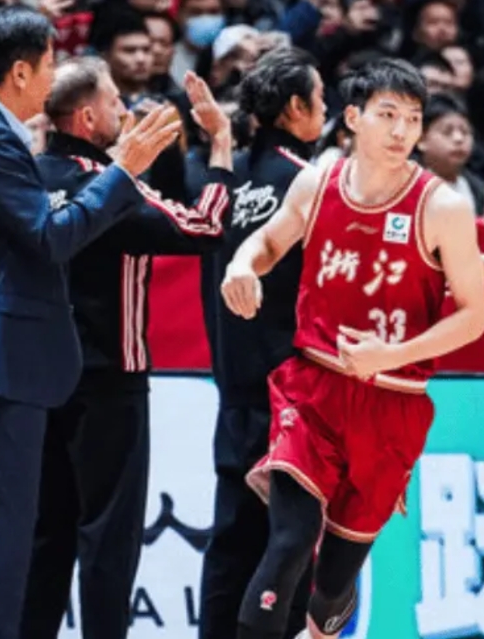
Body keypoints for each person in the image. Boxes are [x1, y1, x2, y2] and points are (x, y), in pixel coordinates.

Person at [220, 58, 484, 639]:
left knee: (334, 583)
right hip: (312, 388)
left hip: (392, 400)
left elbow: (474, 316)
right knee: (289, 540)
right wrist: (242, 264)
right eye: (387, 115)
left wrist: (390, 355)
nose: (400, 130)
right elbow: (269, 241)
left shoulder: (442, 206)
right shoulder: (317, 183)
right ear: (352, 119)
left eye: (412, 118)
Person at [19, 57, 233, 639]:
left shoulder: (25, 179)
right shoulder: (112, 187)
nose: (126, 110)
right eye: (115, 101)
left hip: (36, 382)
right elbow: (206, 227)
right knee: (108, 541)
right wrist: (220, 148)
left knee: (44, 537)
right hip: (111, 381)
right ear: (87, 118)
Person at [0, 6, 180, 639]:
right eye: (49, 63)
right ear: (20, 71)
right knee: (7, 547)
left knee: (25, 542)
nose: (54, 77)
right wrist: (124, 170)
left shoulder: (13, 138)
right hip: (11, 367)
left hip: (30, 366)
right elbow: (51, 239)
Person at [198, 47, 326, 639]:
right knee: (291, 543)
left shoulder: (221, 178)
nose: (325, 109)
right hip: (291, 391)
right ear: (296, 107)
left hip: (232, 383)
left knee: (231, 540)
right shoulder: (308, 181)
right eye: (320, 99)